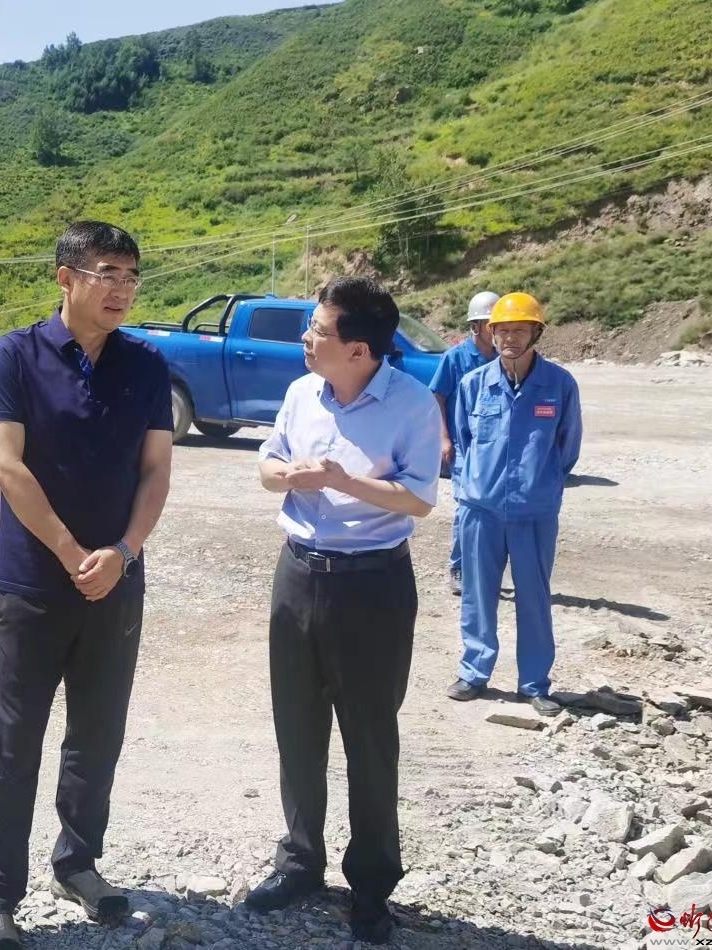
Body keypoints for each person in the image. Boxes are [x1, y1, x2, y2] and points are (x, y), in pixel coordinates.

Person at [0, 221, 174, 950]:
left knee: (97, 732)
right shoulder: (17, 355)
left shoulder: (146, 364)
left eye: (131, 276)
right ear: (65, 276)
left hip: (116, 582)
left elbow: (156, 470)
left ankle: (78, 862)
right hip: (33, 583)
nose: (122, 289)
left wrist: (123, 551)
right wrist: (69, 550)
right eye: (107, 273)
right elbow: (7, 464)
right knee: (13, 741)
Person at [246, 277, 441, 945]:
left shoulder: (413, 404)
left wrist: (339, 480)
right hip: (299, 574)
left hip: (372, 586)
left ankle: (372, 886)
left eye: (319, 330)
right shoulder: (303, 393)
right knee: (297, 727)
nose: (307, 339)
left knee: (369, 738)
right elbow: (267, 465)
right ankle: (300, 861)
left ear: (359, 349)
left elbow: (418, 499)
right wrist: (286, 476)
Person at [444, 292, 582, 717]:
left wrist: (540, 486)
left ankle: (534, 683)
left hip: (534, 512)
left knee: (534, 598)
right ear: (490, 333)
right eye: (501, 331)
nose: (509, 338)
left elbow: (567, 448)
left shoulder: (559, 385)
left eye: (519, 330)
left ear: (536, 333)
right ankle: (474, 672)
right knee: (477, 595)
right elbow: (463, 442)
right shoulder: (474, 384)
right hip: (480, 511)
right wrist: (473, 487)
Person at [428, 290, 499, 594]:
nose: (497, 332)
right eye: (492, 325)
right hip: (463, 447)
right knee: (466, 509)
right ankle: (458, 567)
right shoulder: (455, 358)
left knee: (493, 510)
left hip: (493, 449)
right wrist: (443, 438)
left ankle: (484, 567)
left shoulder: (504, 359)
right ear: (476, 326)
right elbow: (437, 397)